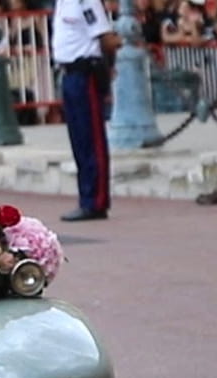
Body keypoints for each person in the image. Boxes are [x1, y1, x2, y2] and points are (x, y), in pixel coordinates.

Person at [51, 0, 120, 221]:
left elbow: (104, 37)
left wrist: (125, 42)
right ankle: (86, 197)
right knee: (79, 140)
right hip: (68, 73)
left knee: (91, 139)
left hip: (85, 71)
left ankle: (95, 201)